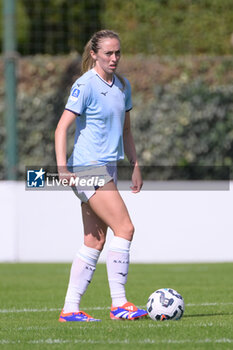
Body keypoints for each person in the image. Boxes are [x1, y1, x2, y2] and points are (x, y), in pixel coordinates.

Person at [55, 29, 147, 322]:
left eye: (118, 52)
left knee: (94, 241)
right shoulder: (86, 85)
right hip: (87, 168)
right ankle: (119, 304)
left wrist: (134, 163)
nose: (114, 58)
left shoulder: (122, 85)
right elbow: (61, 128)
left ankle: (70, 309)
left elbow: (127, 130)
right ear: (94, 54)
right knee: (125, 228)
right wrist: (62, 168)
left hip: (106, 169)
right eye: (108, 53)